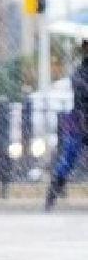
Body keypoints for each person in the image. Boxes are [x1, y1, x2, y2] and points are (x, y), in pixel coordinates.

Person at [46, 39, 88, 211]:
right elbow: (80, 89)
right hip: (80, 120)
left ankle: (53, 194)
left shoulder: (79, 71)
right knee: (68, 159)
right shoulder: (81, 71)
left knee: (68, 159)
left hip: (79, 120)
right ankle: (52, 195)